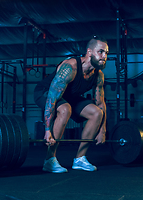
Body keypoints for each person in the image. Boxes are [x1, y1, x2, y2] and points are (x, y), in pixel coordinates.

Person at [34, 36, 109, 173]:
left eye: (106, 53)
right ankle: (49, 160)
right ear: (89, 52)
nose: (104, 56)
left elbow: (100, 103)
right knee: (65, 109)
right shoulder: (70, 68)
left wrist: (102, 130)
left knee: (97, 112)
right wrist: (47, 130)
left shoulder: (98, 75)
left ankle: (80, 159)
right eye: (101, 52)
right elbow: (52, 99)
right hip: (46, 92)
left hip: (69, 96)